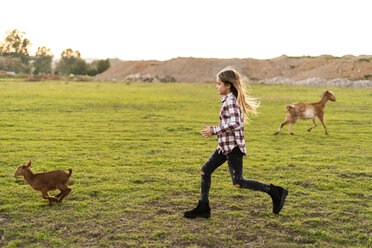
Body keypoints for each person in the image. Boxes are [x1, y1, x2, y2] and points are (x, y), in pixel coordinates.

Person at [184, 67, 288, 219]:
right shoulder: (228, 99)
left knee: (238, 182)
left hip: (233, 148)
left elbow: (236, 123)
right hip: (224, 147)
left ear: (228, 85)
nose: (216, 86)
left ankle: (275, 191)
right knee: (205, 171)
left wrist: (214, 130)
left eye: (219, 83)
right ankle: (203, 207)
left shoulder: (231, 101)